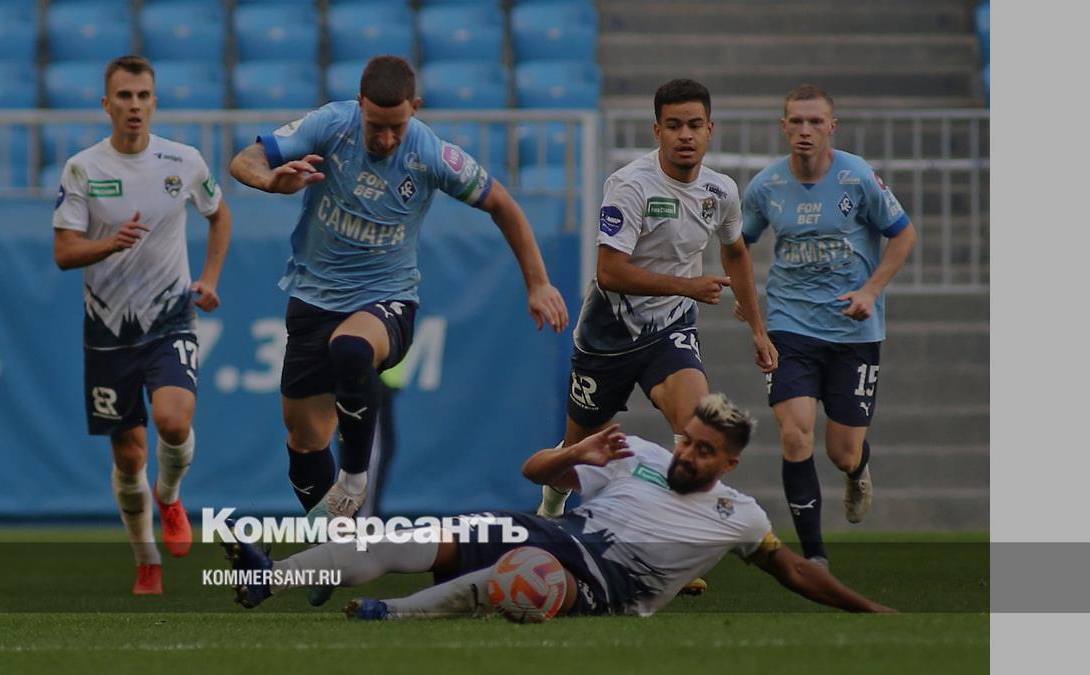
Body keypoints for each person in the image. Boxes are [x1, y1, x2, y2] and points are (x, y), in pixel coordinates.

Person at [228, 55, 568, 530]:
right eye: (376, 127)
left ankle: (354, 480)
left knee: (351, 349)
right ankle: (339, 545)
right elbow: (244, 159)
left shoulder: (432, 153)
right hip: (313, 298)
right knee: (304, 443)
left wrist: (538, 282)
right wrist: (269, 180)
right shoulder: (330, 125)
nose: (386, 139)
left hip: (387, 298)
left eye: (397, 127)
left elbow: (502, 204)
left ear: (416, 107)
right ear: (360, 104)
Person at [218, 393, 894, 618]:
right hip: (557, 529)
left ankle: (390, 614)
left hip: (607, 581)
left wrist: (870, 610)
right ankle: (270, 577)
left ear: (729, 464)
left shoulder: (739, 515)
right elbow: (533, 470)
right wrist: (578, 454)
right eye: (688, 439)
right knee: (409, 537)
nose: (687, 453)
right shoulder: (635, 453)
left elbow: (793, 569)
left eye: (704, 450)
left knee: (520, 575)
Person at [536, 78, 777, 530]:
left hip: (671, 329)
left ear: (710, 130)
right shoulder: (630, 186)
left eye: (694, 125)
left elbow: (735, 252)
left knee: (696, 427)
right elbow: (610, 272)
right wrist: (688, 286)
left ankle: (675, 533)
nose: (685, 135)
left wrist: (758, 329)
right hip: (608, 334)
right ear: (657, 131)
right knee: (578, 449)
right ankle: (552, 504)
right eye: (674, 125)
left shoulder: (721, 191)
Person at [52, 55, 233, 595]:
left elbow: (219, 214)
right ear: (106, 104)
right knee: (129, 455)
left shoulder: (184, 161)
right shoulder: (83, 168)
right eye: (125, 96)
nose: (135, 105)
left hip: (170, 314)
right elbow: (64, 253)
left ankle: (170, 495)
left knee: (174, 421)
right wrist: (111, 244)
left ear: (155, 102)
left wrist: (210, 278)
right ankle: (146, 559)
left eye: (143, 96)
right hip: (108, 329)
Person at [737, 85, 917, 566]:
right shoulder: (765, 186)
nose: (805, 130)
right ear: (783, 126)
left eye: (815, 121)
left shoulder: (857, 177)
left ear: (832, 127)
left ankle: (857, 470)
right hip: (789, 326)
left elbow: (904, 235)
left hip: (853, 332)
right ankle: (815, 558)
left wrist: (871, 291)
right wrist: (747, 299)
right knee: (795, 435)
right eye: (796, 121)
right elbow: (738, 246)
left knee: (842, 452)